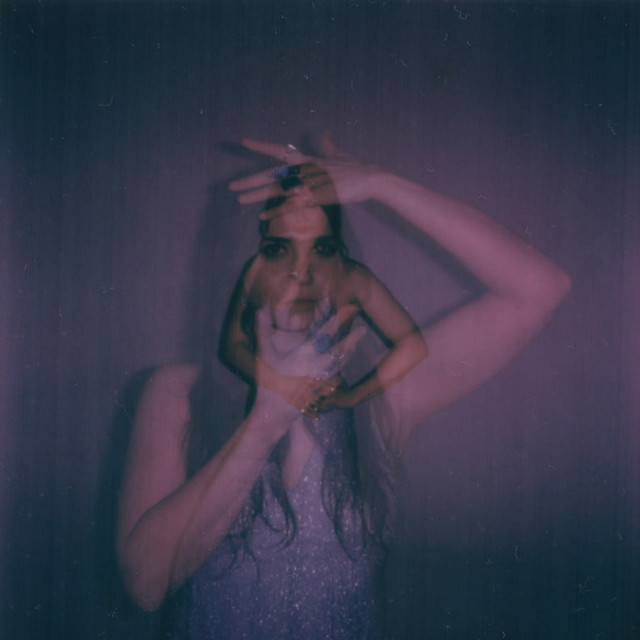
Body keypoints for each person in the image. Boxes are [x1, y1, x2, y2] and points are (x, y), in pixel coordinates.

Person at [116, 135, 571, 638]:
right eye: (278, 249)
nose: (302, 273)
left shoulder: (384, 398)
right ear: (242, 266)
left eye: (323, 248)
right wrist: (264, 424)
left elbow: (538, 290)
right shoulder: (177, 393)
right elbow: (145, 584)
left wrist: (386, 184)